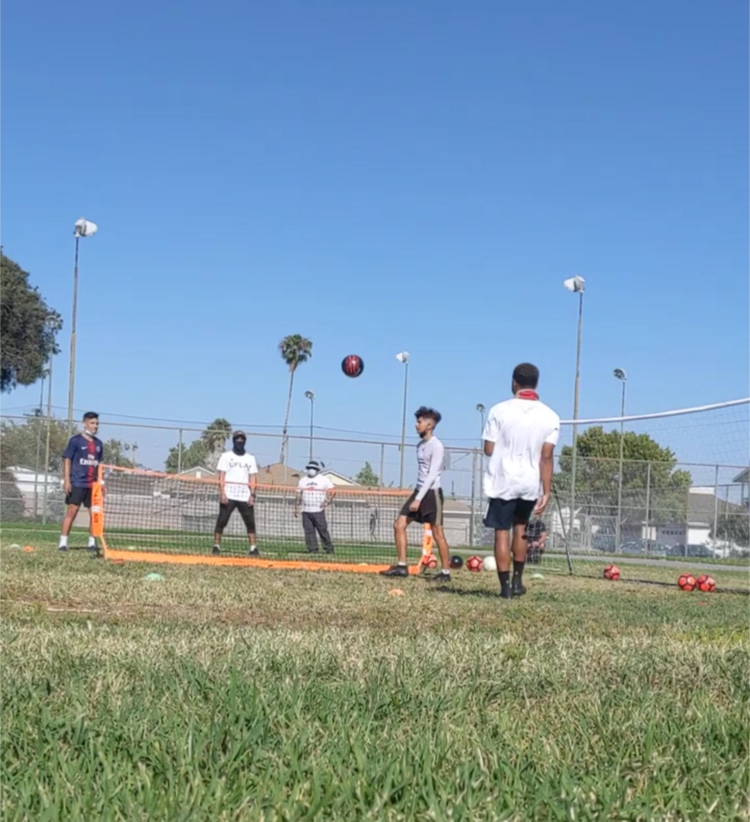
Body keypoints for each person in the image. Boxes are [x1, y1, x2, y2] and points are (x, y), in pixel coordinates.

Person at [482, 363, 559, 599]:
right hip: (529, 482)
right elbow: (546, 457)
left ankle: (505, 588)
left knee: (501, 531)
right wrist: (546, 491)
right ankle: (517, 581)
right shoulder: (551, 416)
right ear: (536, 383)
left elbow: (488, 449)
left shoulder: (498, 410)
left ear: (514, 382)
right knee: (521, 529)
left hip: (503, 480)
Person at [381, 407, 452, 580]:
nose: (416, 425)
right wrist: (417, 495)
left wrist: (418, 499)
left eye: (419, 422)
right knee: (399, 525)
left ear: (429, 425)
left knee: (437, 533)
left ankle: (445, 572)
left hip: (432, 494)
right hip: (418, 491)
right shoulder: (420, 446)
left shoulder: (437, 446)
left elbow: (432, 475)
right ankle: (401, 566)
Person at [59, 411, 104, 553]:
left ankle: (91, 543)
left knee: (94, 514)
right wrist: (67, 480)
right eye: (92, 423)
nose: (95, 426)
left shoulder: (99, 444)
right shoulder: (75, 441)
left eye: (97, 423)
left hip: (93, 485)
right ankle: (63, 543)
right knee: (72, 511)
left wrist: (101, 483)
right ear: (85, 424)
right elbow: (67, 459)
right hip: (78, 483)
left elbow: (100, 465)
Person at [212, 431, 259, 555]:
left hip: (244, 496)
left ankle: (253, 548)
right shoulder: (225, 456)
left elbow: (253, 477)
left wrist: (252, 494)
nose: (240, 441)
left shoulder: (250, 458)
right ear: (233, 441)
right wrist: (222, 493)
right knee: (222, 521)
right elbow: (221, 475)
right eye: (237, 439)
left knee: (250, 523)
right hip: (229, 495)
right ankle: (216, 546)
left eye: (242, 439)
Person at [293, 460, 335, 554]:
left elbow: (333, 491)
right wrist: (296, 508)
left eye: (313, 468)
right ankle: (312, 549)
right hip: (306, 510)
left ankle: (329, 548)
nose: (311, 470)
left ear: (317, 470)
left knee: (322, 530)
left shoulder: (323, 479)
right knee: (309, 531)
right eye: (309, 468)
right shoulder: (303, 480)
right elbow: (298, 495)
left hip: (318, 510)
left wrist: (327, 502)